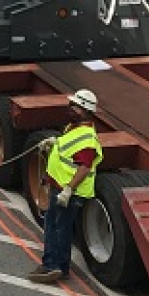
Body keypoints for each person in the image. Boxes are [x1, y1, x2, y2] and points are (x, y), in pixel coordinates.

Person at [29, 89, 102, 283]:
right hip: (60, 187)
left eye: (75, 106)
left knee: (58, 229)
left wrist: (69, 189)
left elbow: (84, 167)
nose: (70, 108)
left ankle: (53, 266)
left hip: (68, 192)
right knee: (56, 227)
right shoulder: (74, 128)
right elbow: (68, 153)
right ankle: (57, 265)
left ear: (85, 111)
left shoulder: (88, 139)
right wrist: (55, 143)